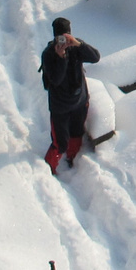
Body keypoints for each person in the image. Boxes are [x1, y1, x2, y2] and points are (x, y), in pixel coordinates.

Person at [40, 16, 100, 175]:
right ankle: (48, 169)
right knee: (60, 143)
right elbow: (56, 79)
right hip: (60, 106)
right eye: (61, 37)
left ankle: (72, 159)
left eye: (66, 36)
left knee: (76, 134)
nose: (64, 41)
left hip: (79, 101)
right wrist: (61, 58)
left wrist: (79, 44)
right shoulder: (48, 54)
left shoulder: (76, 46)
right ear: (55, 37)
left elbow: (95, 57)